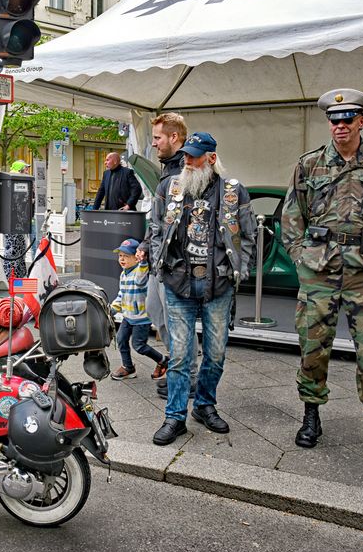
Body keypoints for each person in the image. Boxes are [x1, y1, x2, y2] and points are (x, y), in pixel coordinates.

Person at [281, 88, 363, 460]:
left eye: (347, 120)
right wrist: (298, 256)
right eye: (334, 120)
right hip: (319, 270)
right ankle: (311, 417)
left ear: (361, 121)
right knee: (313, 345)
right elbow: (291, 214)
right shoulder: (308, 165)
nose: (340, 126)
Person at [146, 132, 257, 446]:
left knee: (216, 353)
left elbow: (248, 236)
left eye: (194, 157)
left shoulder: (234, 192)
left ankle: (205, 405)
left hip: (218, 285)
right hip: (177, 283)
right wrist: (160, 263)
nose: (187, 162)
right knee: (180, 356)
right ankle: (175, 416)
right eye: (185, 156)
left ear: (211, 158)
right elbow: (154, 228)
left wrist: (239, 270)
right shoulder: (169, 187)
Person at [142, 112, 190, 395]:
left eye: (158, 138)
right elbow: (159, 217)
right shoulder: (167, 168)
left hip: (174, 262)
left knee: (175, 321)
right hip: (157, 259)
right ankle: (177, 364)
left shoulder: (186, 169)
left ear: (174, 137)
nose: (155, 143)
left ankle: (185, 373)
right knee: (155, 310)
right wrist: (146, 244)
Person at [109, 238, 168, 381]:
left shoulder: (140, 273)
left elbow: (140, 282)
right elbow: (121, 295)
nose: (122, 259)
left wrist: (143, 262)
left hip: (141, 319)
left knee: (139, 346)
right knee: (121, 339)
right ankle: (128, 367)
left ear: (136, 258)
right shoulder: (124, 274)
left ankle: (163, 360)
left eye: (127, 256)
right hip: (128, 317)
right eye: (120, 256)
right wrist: (112, 309)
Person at [2, 160, 31, 281]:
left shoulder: (17, 181)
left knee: (19, 249)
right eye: (26, 169)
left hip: (18, 223)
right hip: (14, 223)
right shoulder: (15, 181)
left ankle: (17, 277)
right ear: (20, 170)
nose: (28, 171)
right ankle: (12, 277)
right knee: (14, 251)